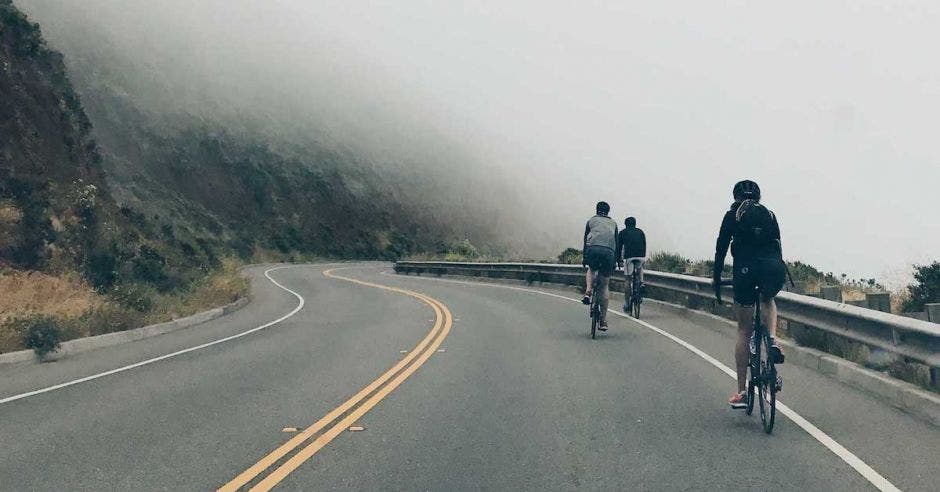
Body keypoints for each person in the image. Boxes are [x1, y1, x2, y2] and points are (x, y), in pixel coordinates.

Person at [712, 180, 786, 409]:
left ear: (735, 196)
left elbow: (721, 248)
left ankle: (742, 391)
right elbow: (778, 246)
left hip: (745, 271)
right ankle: (772, 339)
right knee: (768, 300)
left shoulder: (732, 215)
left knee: (744, 331)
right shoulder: (769, 214)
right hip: (772, 268)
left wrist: (716, 279)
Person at [581, 201, 618, 330]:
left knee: (591, 269)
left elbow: (585, 240)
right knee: (605, 285)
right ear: (608, 211)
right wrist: (616, 261)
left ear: (596, 210)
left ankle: (588, 291)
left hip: (593, 249)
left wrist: (584, 257)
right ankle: (602, 321)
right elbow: (617, 243)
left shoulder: (591, 221)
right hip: (608, 252)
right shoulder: (613, 223)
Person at [616, 216, 647, 311]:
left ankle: (627, 303)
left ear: (626, 224)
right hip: (641, 256)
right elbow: (644, 244)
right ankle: (641, 282)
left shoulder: (622, 233)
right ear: (635, 224)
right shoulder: (641, 232)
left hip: (629, 257)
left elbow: (619, 247)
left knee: (627, 279)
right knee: (640, 267)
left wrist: (618, 260)